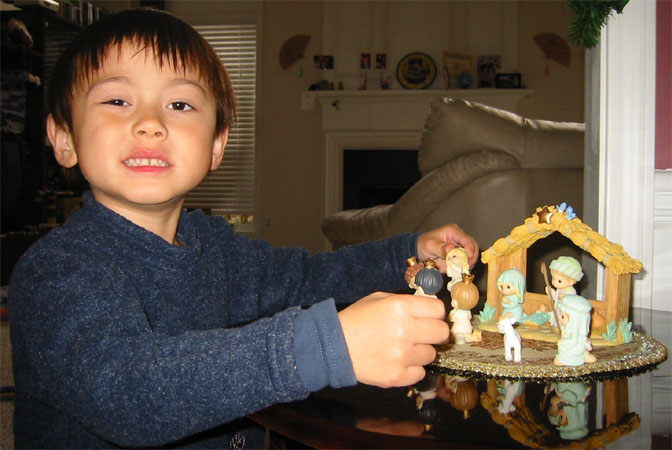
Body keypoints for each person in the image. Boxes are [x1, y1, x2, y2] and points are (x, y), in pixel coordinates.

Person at [8, 8, 479, 449]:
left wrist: (405, 253)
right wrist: (321, 346)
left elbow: (309, 277)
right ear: (64, 138)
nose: (149, 123)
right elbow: (124, 391)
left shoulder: (216, 246)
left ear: (216, 145)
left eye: (179, 103)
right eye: (117, 100)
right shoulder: (57, 271)